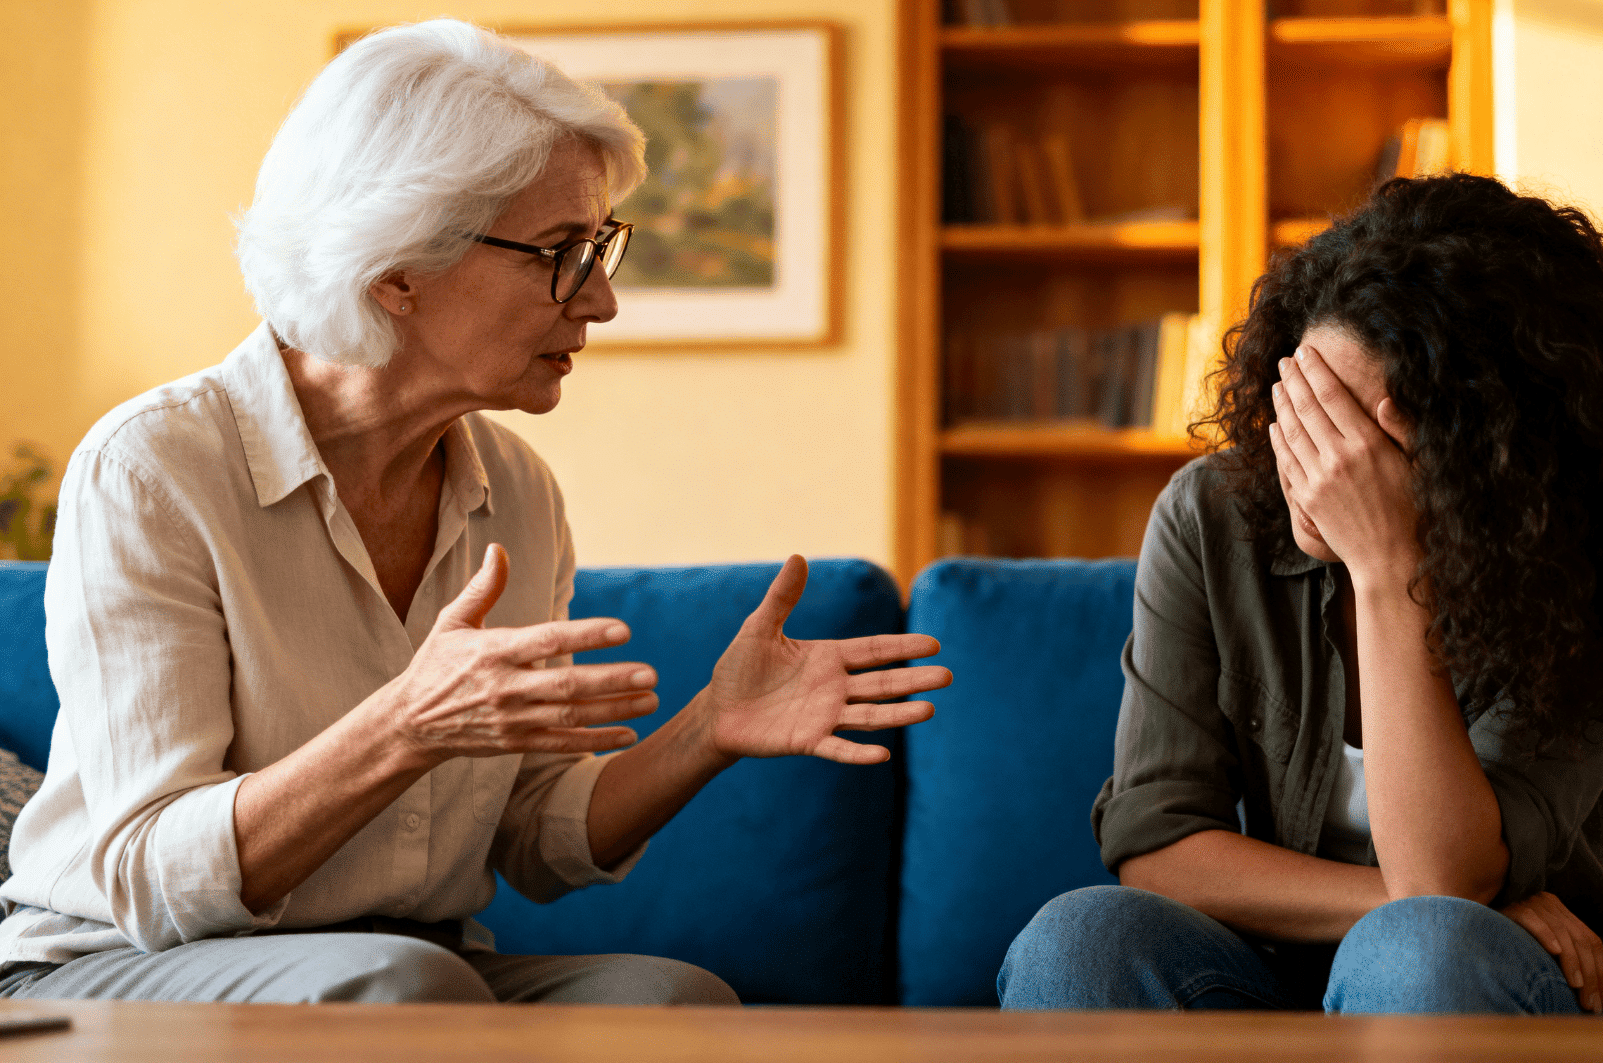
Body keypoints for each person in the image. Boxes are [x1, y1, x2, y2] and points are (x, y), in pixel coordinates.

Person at [0, 19, 949, 1005]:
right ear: (397, 266)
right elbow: (149, 874)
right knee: (408, 984)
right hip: (120, 968)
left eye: (599, 247)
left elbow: (538, 836)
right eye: (560, 251)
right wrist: (409, 725)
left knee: (672, 1005)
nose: (601, 302)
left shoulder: (518, 491)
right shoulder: (155, 467)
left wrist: (707, 727)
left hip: (411, 959)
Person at [998, 173, 1603, 1015]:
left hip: (1542, 978)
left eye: (1358, 428)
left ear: (1494, 450)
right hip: (1302, 958)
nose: (1316, 461)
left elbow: (1443, 885)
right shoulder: (1209, 516)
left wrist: (1388, 569)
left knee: (1422, 950)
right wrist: (1382, 898)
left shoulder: (1585, 560)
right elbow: (1158, 846)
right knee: (1078, 940)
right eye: (1303, 406)